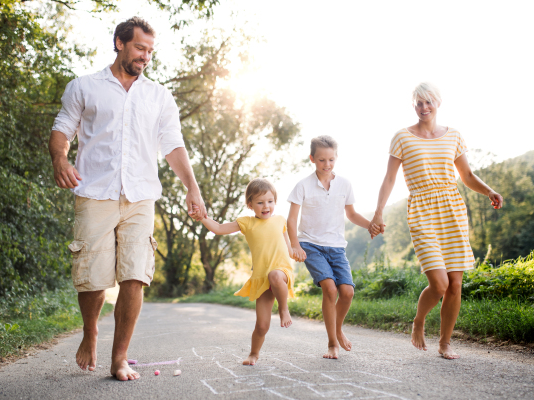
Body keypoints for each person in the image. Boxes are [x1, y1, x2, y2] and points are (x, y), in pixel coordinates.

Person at [48, 17, 207, 381]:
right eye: (139, 48)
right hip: (94, 192)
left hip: (140, 197)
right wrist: (60, 158)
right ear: (119, 43)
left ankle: (119, 358)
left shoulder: (159, 96)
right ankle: (91, 333)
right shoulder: (84, 87)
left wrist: (192, 187)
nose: (145, 57)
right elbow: (62, 129)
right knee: (92, 279)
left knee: (135, 275)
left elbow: (173, 145)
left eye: (150, 51)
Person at [369, 82, 503, 359]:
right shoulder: (402, 137)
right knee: (439, 284)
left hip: (452, 209)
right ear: (414, 105)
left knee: (455, 284)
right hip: (421, 209)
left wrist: (489, 190)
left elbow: (466, 176)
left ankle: (445, 342)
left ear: (438, 103)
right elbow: (390, 178)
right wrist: (378, 211)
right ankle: (418, 321)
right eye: (418, 103)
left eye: (428, 102)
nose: (423, 107)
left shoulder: (453, 135)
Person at [287, 136, 374, 359]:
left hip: (336, 247)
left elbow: (352, 214)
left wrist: (370, 225)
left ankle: (337, 328)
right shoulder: (303, 186)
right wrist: (295, 245)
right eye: (322, 160)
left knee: (347, 292)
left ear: (336, 158)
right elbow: (291, 219)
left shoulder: (344, 184)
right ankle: (332, 343)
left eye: (331, 160)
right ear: (312, 159)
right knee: (330, 288)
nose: (327, 165)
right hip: (311, 245)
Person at [196, 178, 295, 366]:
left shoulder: (280, 220)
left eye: (270, 201)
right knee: (262, 325)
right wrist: (202, 217)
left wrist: (295, 251)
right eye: (260, 202)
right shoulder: (247, 223)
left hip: (281, 273)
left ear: (275, 201)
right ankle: (253, 354)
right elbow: (218, 228)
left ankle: (284, 309)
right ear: (250, 205)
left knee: (275, 275)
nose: (266, 206)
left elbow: (288, 247)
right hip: (262, 278)